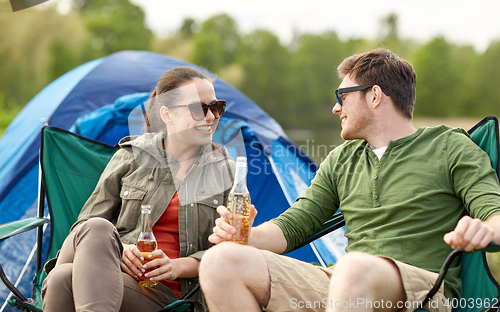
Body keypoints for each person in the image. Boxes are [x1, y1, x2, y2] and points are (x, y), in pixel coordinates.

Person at [199, 48, 500, 312]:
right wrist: (245, 237)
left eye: (342, 96)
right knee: (220, 262)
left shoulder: (450, 145)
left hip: (424, 289)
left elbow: (495, 216)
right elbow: (294, 226)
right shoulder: (342, 159)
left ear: (374, 95)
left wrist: (482, 229)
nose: (335, 108)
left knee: (354, 267)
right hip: (346, 284)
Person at [41, 66, 234, 312]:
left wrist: (177, 266)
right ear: (167, 114)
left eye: (216, 107)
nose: (211, 117)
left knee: (60, 279)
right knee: (97, 228)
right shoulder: (132, 156)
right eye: (198, 108)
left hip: (168, 294)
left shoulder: (225, 171)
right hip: (109, 269)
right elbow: (84, 228)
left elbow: (230, 253)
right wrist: (120, 250)